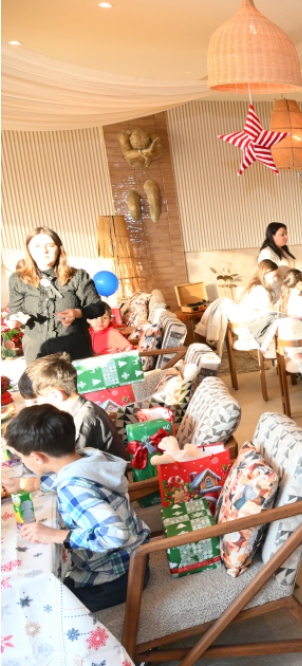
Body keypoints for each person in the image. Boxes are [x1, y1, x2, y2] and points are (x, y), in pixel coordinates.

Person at [3, 405, 149, 611]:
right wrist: (27, 484)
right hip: (135, 561)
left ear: (37, 457)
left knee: (40, 605)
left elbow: (115, 535)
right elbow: (69, 477)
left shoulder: (74, 489)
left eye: (21, 457)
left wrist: (56, 535)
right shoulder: (89, 457)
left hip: (116, 578)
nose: (23, 462)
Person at [7, 227, 104, 362]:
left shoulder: (77, 276)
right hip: (36, 347)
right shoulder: (18, 279)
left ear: (58, 248)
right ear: (28, 249)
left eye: (50, 245)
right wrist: (14, 320)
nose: (44, 251)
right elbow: (14, 312)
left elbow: (98, 308)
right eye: (37, 246)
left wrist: (77, 313)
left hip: (73, 345)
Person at [25, 352, 128, 460]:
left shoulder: (82, 420)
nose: (34, 406)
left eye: (36, 401)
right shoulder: (76, 412)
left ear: (55, 395)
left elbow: (67, 461)